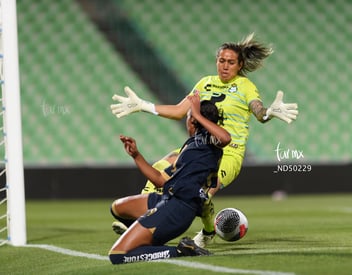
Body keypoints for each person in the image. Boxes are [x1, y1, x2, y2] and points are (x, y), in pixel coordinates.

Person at [110, 33, 299, 247]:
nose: (225, 66)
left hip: (229, 151)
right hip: (200, 146)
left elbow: (258, 112)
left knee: (204, 190)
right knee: (162, 165)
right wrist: (143, 105)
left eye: (230, 62)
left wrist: (269, 113)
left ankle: (208, 231)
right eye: (221, 61)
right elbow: (179, 111)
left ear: (240, 65)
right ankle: (143, 220)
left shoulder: (245, 86)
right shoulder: (205, 83)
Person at [108, 94, 231, 264]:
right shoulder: (193, 145)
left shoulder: (208, 141)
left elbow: (226, 138)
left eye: (188, 117)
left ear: (194, 120)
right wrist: (136, 156)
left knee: (118, 255)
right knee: (118, 207)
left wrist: (196, 113)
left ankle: (181, 250)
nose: (187, 121)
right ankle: (147, 241)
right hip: (169, 199)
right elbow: (160, 180)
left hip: (178, 207)